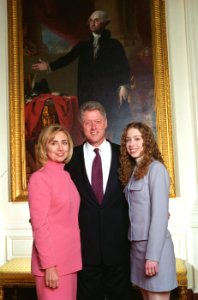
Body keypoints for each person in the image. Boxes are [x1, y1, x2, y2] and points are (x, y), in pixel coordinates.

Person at [65, 101, 132, 300]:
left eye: (97, 121)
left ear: (105, 123)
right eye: (88, 123)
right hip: (84, 249)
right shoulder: (70, 159)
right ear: (81, 126)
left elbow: (139, 193)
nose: (93, 127)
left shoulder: (125, 155)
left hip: (119, 247)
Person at [32, 10, 132, 142]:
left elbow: (124, 66)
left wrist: (124, 85)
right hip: (88, 92)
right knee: (90, 124)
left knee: (109, 124)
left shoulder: (114, 45)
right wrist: (49, 66)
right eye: (90, 20)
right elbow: (67, 58)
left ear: (104, 23)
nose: (92, 23)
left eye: (96, 20)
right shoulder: (83, 45)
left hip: (108, 92)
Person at [119, 122, 178, 300]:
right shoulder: (133, 171)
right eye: (128, 140)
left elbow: (160, 216)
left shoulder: (156, 169)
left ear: (147, 141)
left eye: (137, 138)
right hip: (137, 248)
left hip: (154, 250)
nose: (132, 144)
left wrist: (152, 256)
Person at [28, 124, 82, 300]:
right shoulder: (39, 178)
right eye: (54, 143)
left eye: (64, 142)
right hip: (52, 265)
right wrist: (49, 266)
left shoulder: (66, 176)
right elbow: (39, 226)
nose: (60, 148)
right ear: (44, 146)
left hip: (70, 262)